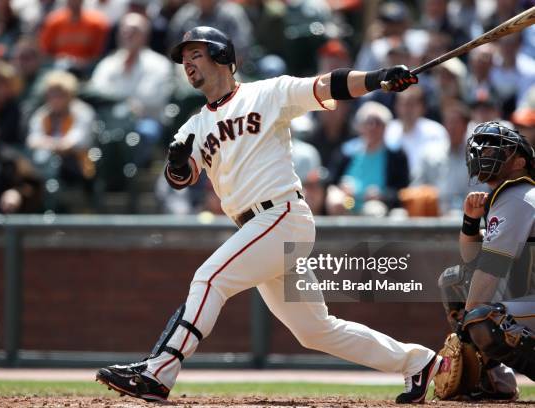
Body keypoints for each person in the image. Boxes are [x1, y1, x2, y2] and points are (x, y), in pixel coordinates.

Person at [96, 26, 442, 404]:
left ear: (222, 57)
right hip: (259, 231)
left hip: (280, 215)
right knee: (316, 331)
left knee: (210, 278)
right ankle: (418, 362)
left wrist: (378, 78)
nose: (188, 64)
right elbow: (181, 178)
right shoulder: (194, 125)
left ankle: (158, 372)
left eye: (196, 54)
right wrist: (177, 163)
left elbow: (328, 85)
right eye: (184, 59)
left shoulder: (267, 92)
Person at [434, 121, 534, 400]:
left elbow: (489, 271)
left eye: (496, 149)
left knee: (482, 318)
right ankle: (496, 382)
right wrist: (470, 222)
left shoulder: (518, 196)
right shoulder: (509, 197)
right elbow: (472, 263)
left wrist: (466, 333)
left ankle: (492, 377)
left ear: (521, 162)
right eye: (483, 147)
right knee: (456, 281)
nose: (484, 152)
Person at [327, 101, 409, 215]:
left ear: (386, 127)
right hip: (348, 202)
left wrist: (382, 195)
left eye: (378, 123)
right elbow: (332, 181)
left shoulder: (396, 156)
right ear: (360, 126)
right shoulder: (346, 151)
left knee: (373, 210)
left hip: (377, 205)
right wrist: (342, 188)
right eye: (368, 122)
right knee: (336, 200)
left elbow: (402, 191)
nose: (372, 127)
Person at [38, 0, 110, 76]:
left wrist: (82, 62)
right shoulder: (54, 21)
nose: (74, 2)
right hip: (57, 69)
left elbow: (98, 54)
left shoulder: (97, 23)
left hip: (86, 71)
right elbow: (45, 51)